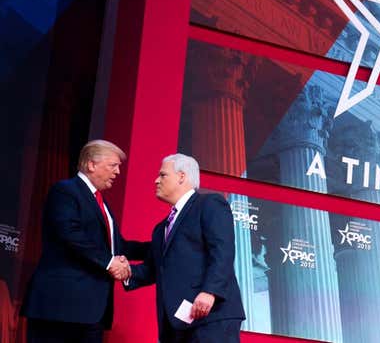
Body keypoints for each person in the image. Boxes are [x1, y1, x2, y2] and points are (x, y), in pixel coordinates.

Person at [21, 139, 149, 343]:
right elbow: (69, 233)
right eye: (113, 165)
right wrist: (109, 262)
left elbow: (117, 247)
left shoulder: (101, 202)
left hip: (91, 312)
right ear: (91, 164)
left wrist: (159, 247)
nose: (117, 172)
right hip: (60, 307)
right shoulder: (65, 191)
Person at [126, 153, 245, 343]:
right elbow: (154, 268)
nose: (156, 180)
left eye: (163, 175)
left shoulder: (209, 204)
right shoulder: (161, 228)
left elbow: (222, 251)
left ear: (181, 176)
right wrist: (121, 271)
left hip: (210, 316)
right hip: (175, 324)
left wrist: (210, 291)